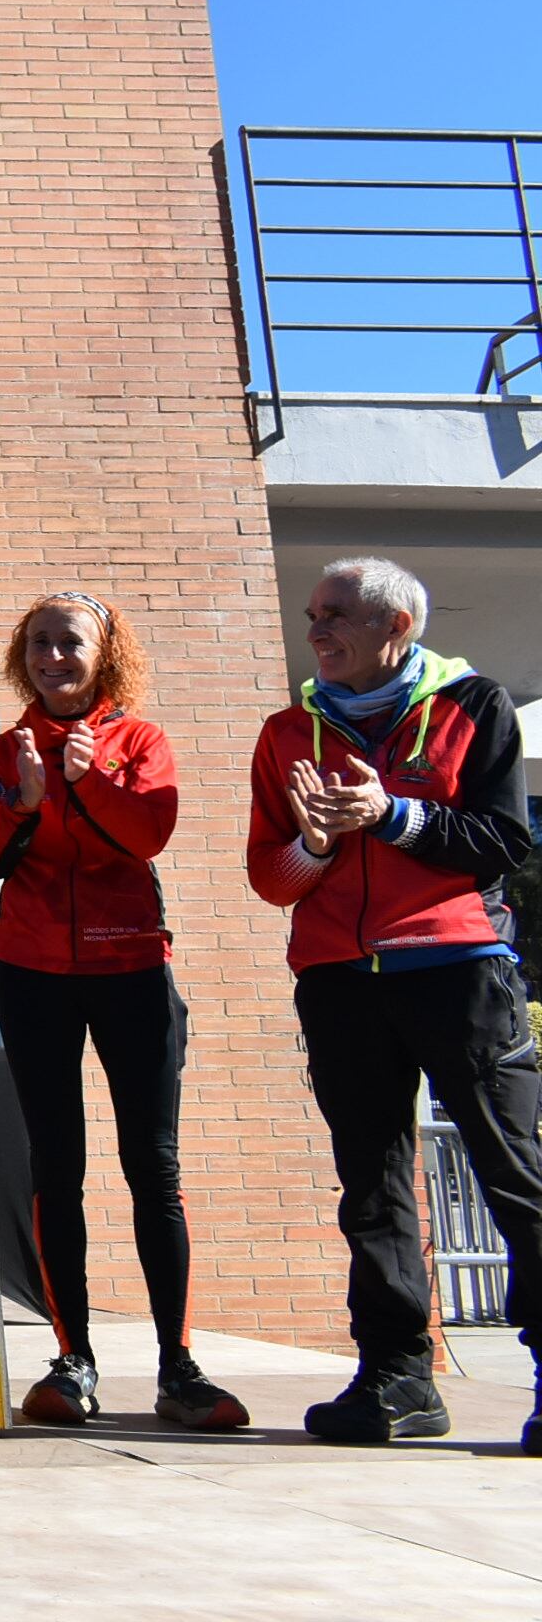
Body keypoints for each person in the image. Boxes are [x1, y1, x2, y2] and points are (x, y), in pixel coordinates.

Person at [249, 557, 542, 1451]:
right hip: (338, 977)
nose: (317, 630)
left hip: (459, 968)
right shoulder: (284, 733)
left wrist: (394, 816)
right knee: (371, 1188)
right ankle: (397, 1379)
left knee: (517, 1175)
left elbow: (502, 845)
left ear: (397, 628)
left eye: (335, 614)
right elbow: (272, 880)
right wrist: (317, 843)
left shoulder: (474, 706)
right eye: (311, 614)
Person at [0, 591, 246, 1431]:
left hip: (131, 969)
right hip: (33, 970)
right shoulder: (2, 748)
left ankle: (178, 1365)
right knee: (57, 1168)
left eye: (72, 643)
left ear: (105, 653)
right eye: (40, 643)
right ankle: (72, 1357)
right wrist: (22, 798)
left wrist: (85, 782)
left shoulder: (141, 740)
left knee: (152, 1170)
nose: (55, 657)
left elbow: (147, 835)